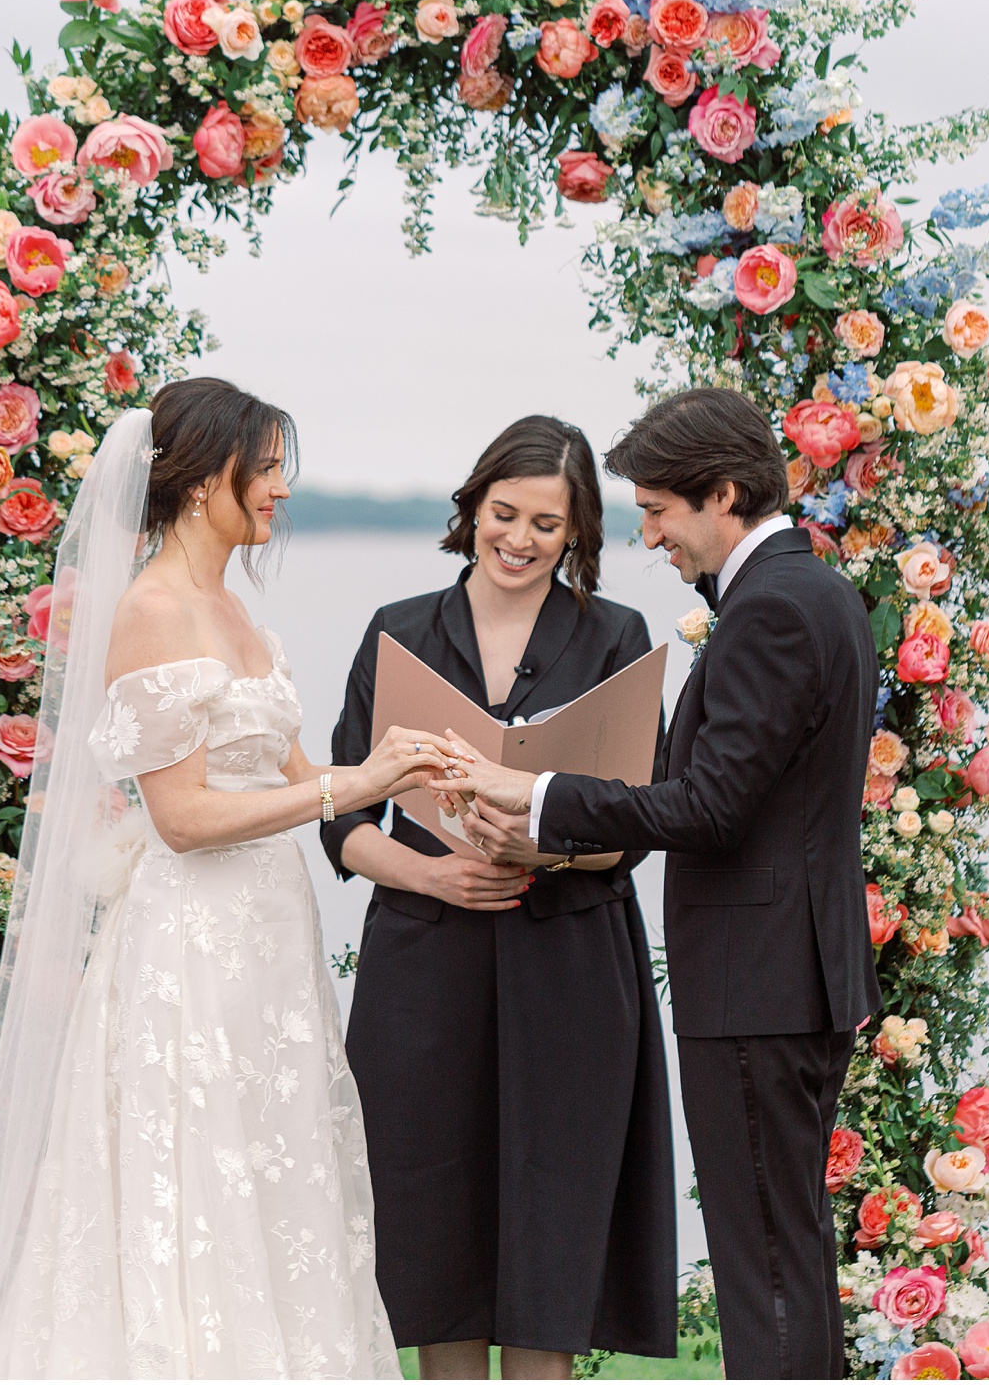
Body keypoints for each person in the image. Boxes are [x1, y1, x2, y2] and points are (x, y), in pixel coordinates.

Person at [0, 379, 456, 1379]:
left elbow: (288, 778)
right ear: (205, 481)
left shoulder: (234, 609)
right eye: (268, 465)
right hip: (189, 940)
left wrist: (397, 765)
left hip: (266, 941)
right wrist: (349, 790)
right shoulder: (152, 610)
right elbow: (184, 816)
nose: (282, 487)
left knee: (274, 1172)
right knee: (191, 1182)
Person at [439, 387, 882, 1381]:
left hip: (758, 980)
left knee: (761, 1262)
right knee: (787, 1248)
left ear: (721, 494)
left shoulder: (770, 607)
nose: (647, 535)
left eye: (657, 510)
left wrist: (541, 791)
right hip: (792, 973)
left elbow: (708, 806)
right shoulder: (815, 592)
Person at [321, 416, 677, 1380]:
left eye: (547, 524)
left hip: (567, 962)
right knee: (434, 1231)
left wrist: (547, 848)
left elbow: (643, 819)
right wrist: (433, 871)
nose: (519, 539)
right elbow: (340, 819)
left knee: (552, 1224)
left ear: (579, 535)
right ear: (471, 508)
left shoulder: (619, 637)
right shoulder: (397, 631)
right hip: (425, 961)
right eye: (503, 513)